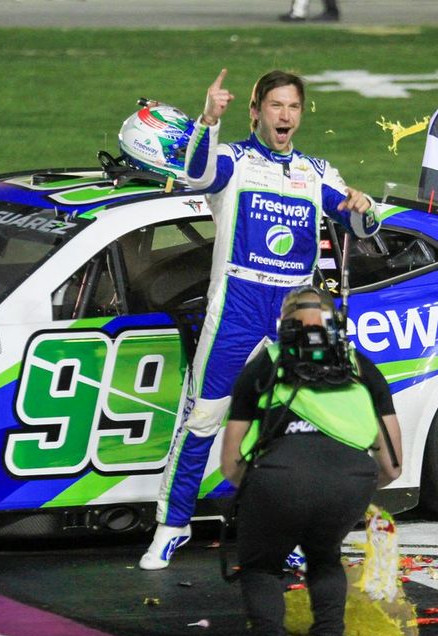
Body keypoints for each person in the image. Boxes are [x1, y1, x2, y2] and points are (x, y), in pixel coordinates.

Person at [138, 69, 383, 570]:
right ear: (256, 111)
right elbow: (198, 176)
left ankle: (287, 536)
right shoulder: (233, 158)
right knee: (203, 419)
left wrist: (364, 205)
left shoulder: (315, 171)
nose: (285, 116)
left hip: (291, 315)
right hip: (236, 309)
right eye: (275, 106)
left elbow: (358, 222)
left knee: (292, 426)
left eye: (293, 107)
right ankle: (171, 525)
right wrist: (207, 120)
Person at [221, 287, 402, 636]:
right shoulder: (361, 368)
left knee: (260, 566)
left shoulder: (264, 365)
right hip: (350, 478)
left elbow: (230, 460)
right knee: (324, 559)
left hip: (277, 477)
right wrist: (354, 486)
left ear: (283, 326)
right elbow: (392, 464)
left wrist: (258, 492)